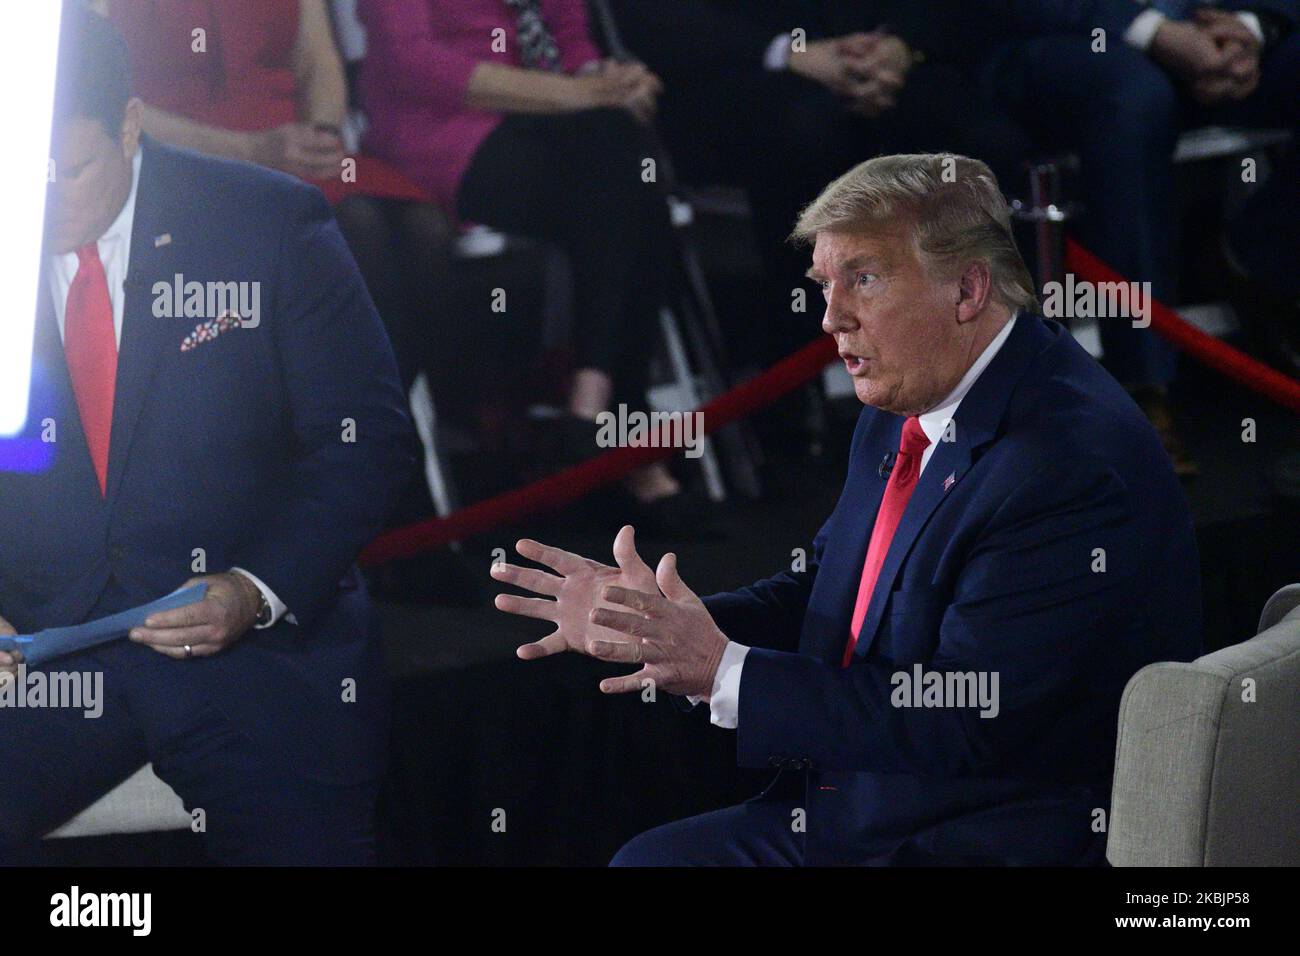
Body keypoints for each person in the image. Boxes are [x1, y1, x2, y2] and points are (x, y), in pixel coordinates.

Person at [492, 153, 1203, 865]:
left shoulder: (1063, 464)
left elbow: (963, 717)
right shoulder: (911, 395)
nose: (831, 318)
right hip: (877, 803)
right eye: (824, 286)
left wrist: (721, 670)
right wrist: (663, 629)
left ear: (966, 289)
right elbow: (835, 593)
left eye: (862, 279)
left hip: (991, 833)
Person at [0, 9, 415, 864]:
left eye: (68, 173)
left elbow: (365, 443)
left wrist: (252, 589)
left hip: (253, 654)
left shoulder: (265, 225)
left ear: (130, 123)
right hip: (45, 656)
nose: (39, 206)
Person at [359, 0, 688, 512]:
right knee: (622, 172)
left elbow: (571, 37)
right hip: (445, 130)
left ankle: (594, 404)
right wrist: (580, 94)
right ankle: (620, 425)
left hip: (561, 126)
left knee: (625, 160)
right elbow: (413, 62)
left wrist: (610, 79)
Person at [610, 0, 1034, 365]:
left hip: (880, 63)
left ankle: (1013, 358)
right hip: (734, 75)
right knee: (803, 134)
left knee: (984, 140)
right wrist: (791, 54)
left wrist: (898, 45)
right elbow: (654, 18)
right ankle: (798, 391)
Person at [978, 0, 1300, 472]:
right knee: (1133, 94)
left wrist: (1251, 26)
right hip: (1069, 34)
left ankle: (1251, 258)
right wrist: (1153, 32)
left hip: (1214, 28)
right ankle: (1142, 386)